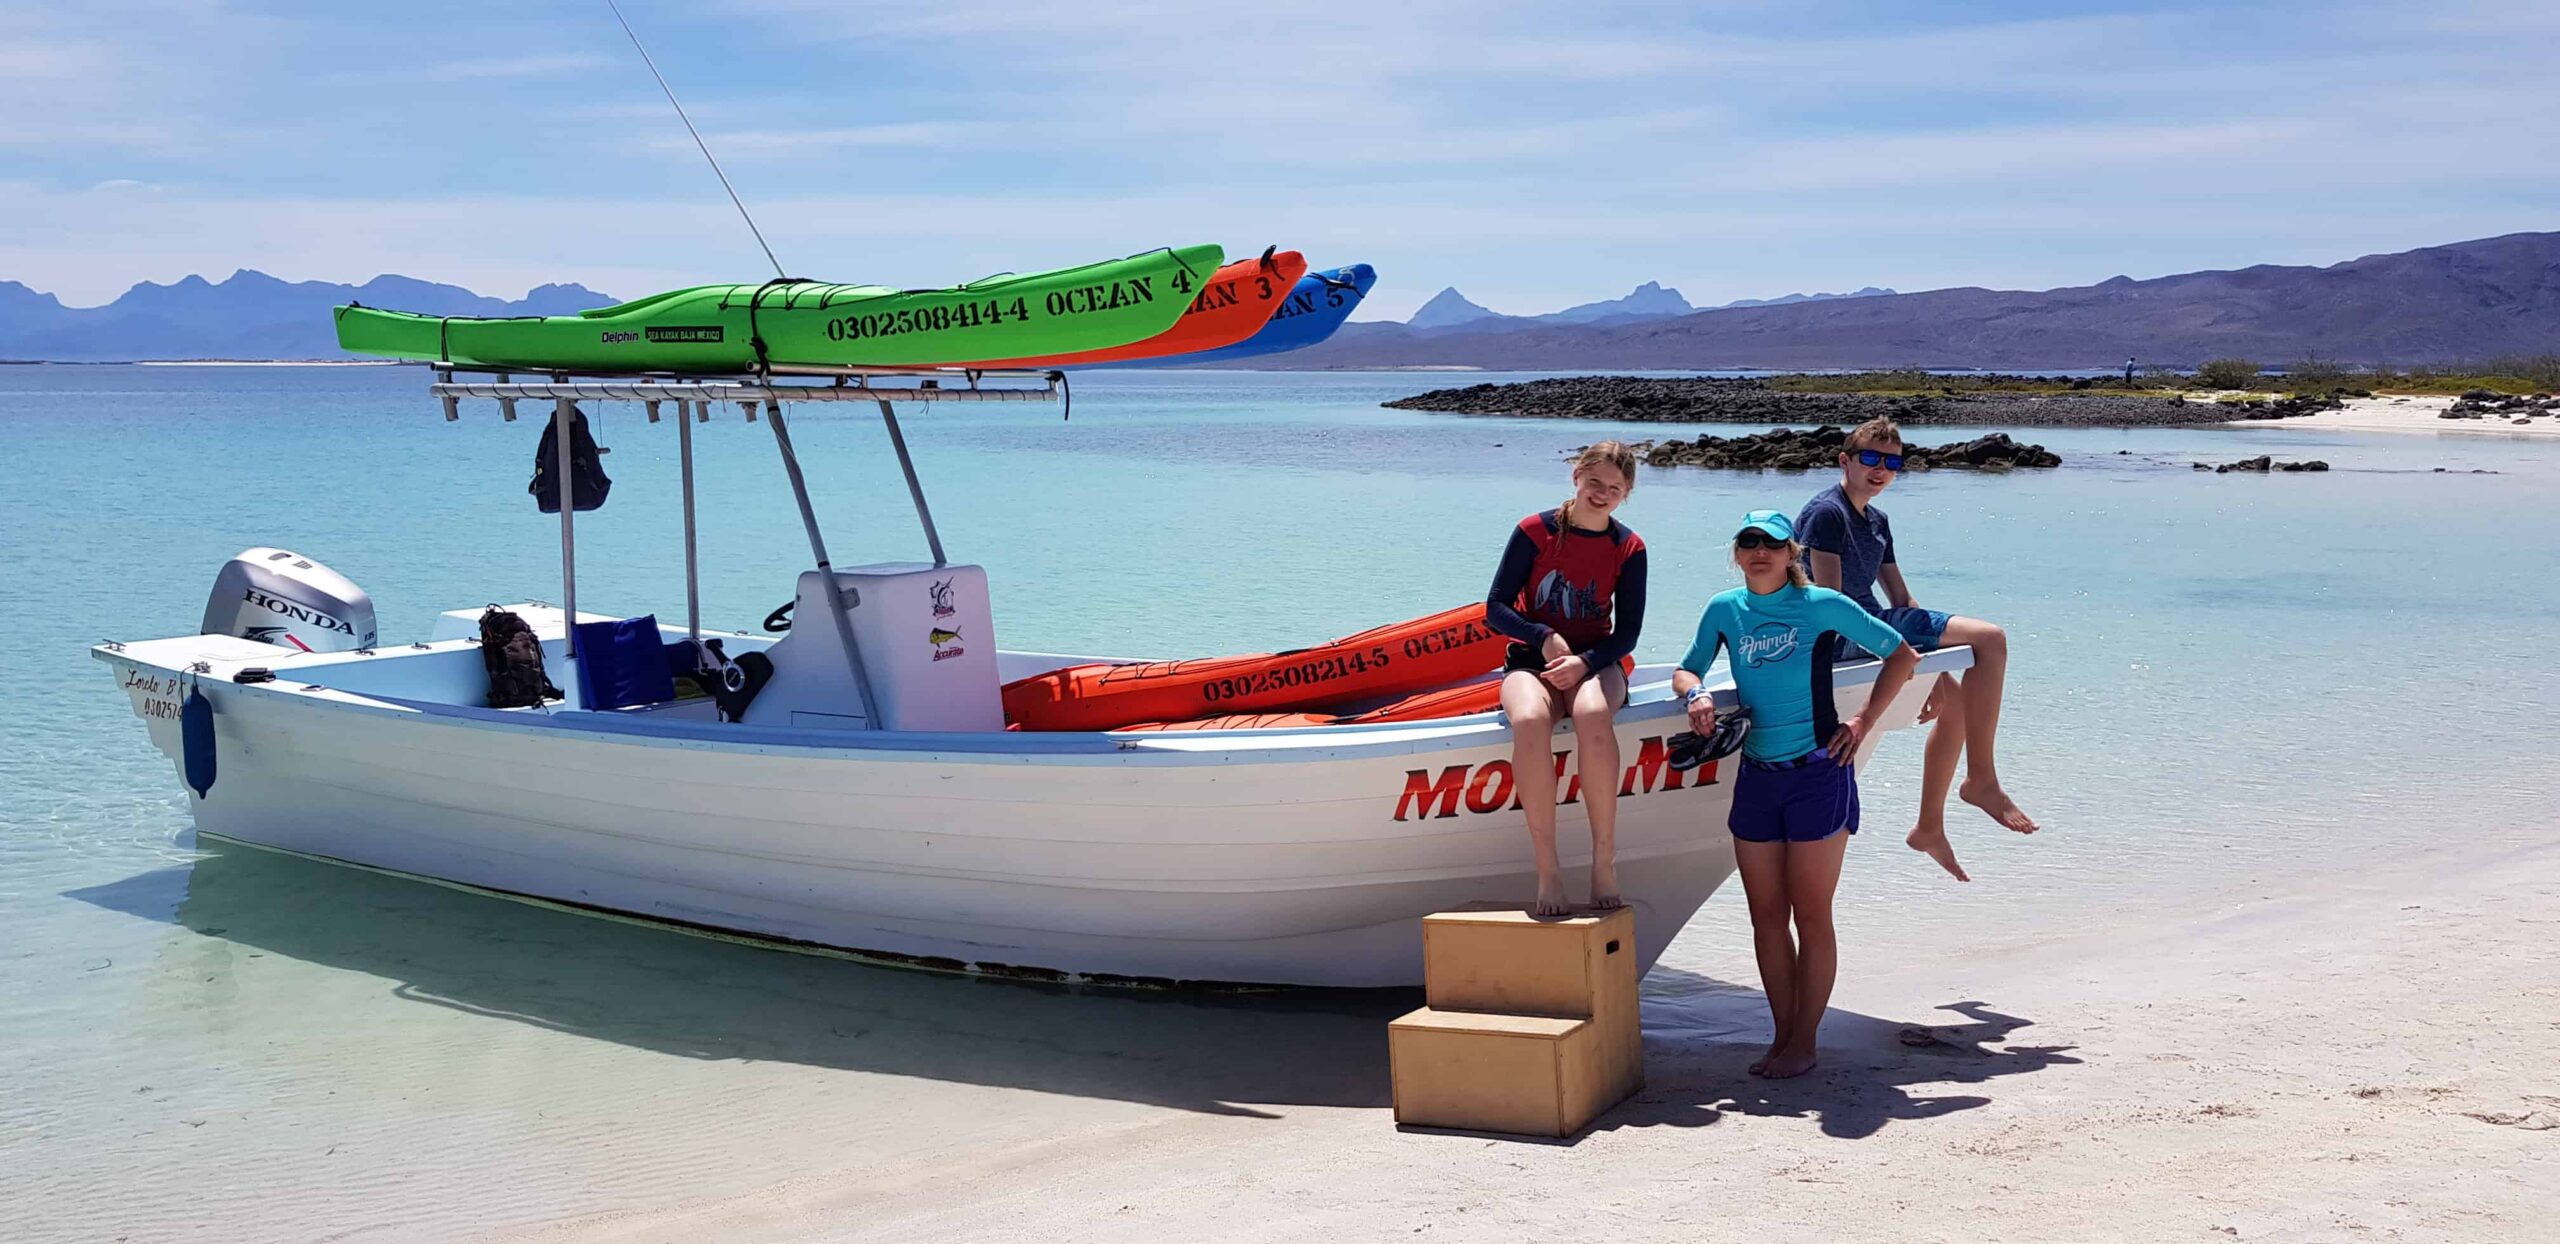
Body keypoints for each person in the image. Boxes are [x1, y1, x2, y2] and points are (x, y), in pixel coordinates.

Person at [1672, 510, 1917, 1078]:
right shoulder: (1724, 609)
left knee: (1811, 913)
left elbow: (1902, 654)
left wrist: (1862, 723)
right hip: (1756, 774)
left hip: (1818, 772)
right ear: (1737, 553)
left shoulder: (1822, 606)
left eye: (1773, 544)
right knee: (1765, 915)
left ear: (1792, 555)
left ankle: (1805, 1041)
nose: (1760, 552)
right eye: (1750, 543)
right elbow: (1687, 669)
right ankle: (1782, 1036)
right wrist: (1697, 695)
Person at [1797, 417, 2038, 884]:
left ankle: (1929, 826)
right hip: (1843, 637)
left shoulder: (1878, 520)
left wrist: (1923, 665)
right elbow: (1831, 605)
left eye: (1891, 462)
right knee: (1990, 639)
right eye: (1870, 458)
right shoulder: (1827, 513)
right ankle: (1981, 779)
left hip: (1874, 628)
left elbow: (1902, 600)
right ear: (1844, 460)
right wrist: (1901, 653)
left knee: (1956, 701)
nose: (1880, 469)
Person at [1485, 440, 1647, 916]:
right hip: (1531, 659)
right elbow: (1495, 608)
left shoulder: (1629, 547)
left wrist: (1584, 661)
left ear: (1626, 494)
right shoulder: (1535, 531)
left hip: (1596, 660)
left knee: (1593, 714)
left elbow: (1630, 632)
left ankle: (1603, 862)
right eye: (1594, 482)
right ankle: (1548, 869)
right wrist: (1544, 637)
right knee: (1531, 720)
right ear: (1576, 475)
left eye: (1614, 488)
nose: (1602, 493)